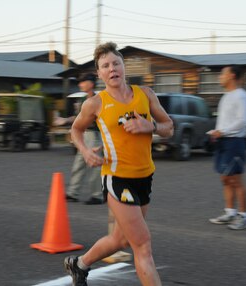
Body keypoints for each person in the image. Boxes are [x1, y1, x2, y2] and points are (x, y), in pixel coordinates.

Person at [64, 42, 173, 286]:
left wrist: (151, 126)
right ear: (100, 73)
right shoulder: (96, 103)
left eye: (116, 63)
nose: (112, 69)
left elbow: (169, 127)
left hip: (145, 176)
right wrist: (84, 151)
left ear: (124, 67)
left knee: (120, 239)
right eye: (105, 66)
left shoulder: (146, 94)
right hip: (116, 178)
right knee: (142, 244)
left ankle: (79, 264)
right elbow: (76, 130)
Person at [208, 65, 246, 230]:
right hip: (223, 141)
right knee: (225, 178)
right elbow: (226, 121)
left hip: (235, 142)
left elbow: (243, 121)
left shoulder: (242, 96)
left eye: (223, 74)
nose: (220, 77)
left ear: (232, 76)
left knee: (236, 180)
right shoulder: (226, 96)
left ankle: (245, 217)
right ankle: (230, 213)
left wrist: (223, 131)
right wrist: (216, 132)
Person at [54, 73, 104, 205]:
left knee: (94, 165)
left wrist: (67, 120)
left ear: (91, 83)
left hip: (94, 136)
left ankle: (97, 196)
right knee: (79, 164)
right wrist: (65, 120)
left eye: (83, 82)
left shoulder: (98, 99)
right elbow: (79, 117)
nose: (80, 84)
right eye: (80, 82)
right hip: (84, 135)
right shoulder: (83, 99)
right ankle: (73, 193)